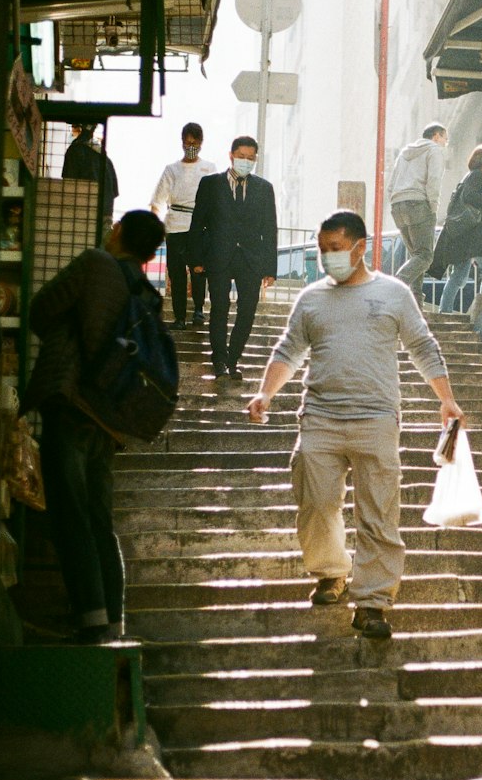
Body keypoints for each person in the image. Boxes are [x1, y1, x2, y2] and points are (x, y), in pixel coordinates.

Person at [247, 210, 464, 640]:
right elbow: (288, 349)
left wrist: (447, 399)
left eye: (335, 249)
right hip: (321, 419)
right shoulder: (310, 299)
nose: (327, 257)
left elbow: (422, 345)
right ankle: (331, 573)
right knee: (316, 503)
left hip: (377, 420)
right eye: (322, 249)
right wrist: (265, 392)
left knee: (379, 514)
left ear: (360, 248)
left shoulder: (394, 294)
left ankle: (373, 602)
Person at [21, 210, 166, 643]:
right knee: (100, 520)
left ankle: (89, 620)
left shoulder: (93, 263)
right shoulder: (142, 289)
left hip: (72, 405)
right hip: (109, 417)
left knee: (71, 516)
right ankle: (111, 621)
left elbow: (40, 310)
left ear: (118, 230)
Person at [188, 135, 277, 381]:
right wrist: (195, 259)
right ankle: (218, 361)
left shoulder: (264, 188)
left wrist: (270, 268)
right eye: (241, 157)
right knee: (219, 308)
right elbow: (198, 223)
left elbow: (270, 229)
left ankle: (232, 359)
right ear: (231, 155)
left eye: (251, 158)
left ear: (256, 159)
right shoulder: (211, 184)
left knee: (247, 310)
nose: (246, 161)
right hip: (218, 256)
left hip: (251, 259)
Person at [150, 122, 217, 330]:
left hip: (199, 227)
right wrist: (154, 227)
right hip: (174, 226)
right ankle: (179, 317)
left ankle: (199, 310)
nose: (191, 146)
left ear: (201, 143)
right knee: (176, 274)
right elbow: (157, 201)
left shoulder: (209, 168)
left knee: (199, 271)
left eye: (194, 143)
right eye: (187, 142)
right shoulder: (171, 170)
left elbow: (216, 201)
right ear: (181, 143)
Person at [388, 122, 448, 303]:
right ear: (436, 136)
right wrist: (433, 206)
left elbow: (391, 185)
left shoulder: (404, 153)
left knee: (417, 254)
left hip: (398, 205)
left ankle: (415, 300)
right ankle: (395, 286)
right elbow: (434, 180)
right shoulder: (434, 150)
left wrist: (395, 201)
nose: (446, 143)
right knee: (425, 255)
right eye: (446, 138)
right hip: (418, 204)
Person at [431, 144, 482, 314]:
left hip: (463, 235)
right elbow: (469, 197)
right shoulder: (478, 175)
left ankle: (445, 311)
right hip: (472, 234)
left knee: (459, 275)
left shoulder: (468, 176)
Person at [62, 122, 119, 226]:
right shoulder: (105, 158)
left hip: (83, 214)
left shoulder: (75, 150)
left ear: (79, 129)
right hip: (105, 214)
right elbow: (115, 191)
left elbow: (68, 185)